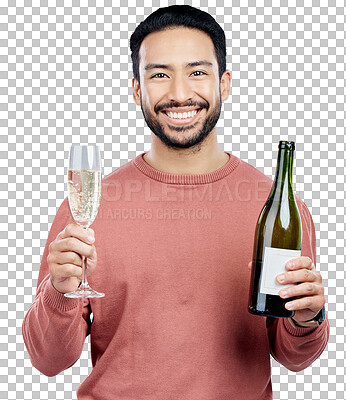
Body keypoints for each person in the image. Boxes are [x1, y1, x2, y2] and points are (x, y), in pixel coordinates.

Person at [22, 5, 329, 400]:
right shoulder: (88, 208)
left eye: (198, 72)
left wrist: (307, 318)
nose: (180, 93)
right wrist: (60, 293)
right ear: (137, 90)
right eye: (160, 75)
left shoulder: (277, 208)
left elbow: (294, 358)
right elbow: (48, 362)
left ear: (225, 84)